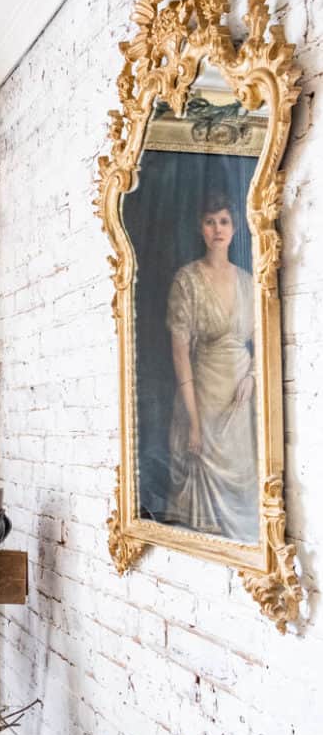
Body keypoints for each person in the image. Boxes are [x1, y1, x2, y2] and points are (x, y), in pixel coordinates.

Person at [163, 190, 259, 543]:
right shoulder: (187, 280)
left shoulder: (249, 283)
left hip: (240, 402)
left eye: (224, 221)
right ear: (200, 228)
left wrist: (253, 375)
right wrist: (193, 420)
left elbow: (262, 341)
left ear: (234, 229)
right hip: (201, 395)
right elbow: (179, 353)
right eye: (210, 221)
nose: (217, 229)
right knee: (201, 527)